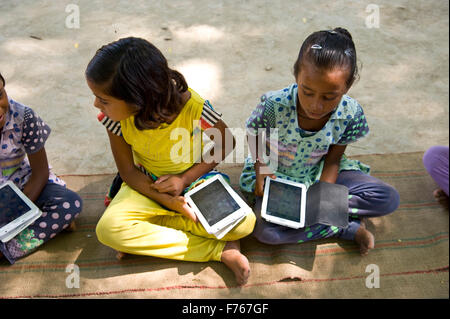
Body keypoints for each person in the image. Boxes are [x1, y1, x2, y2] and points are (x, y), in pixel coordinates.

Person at [85, 37, 256, 285]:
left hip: (196, 180)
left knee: (245, 224)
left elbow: (226, 142)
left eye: (103, 99)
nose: (96, 104)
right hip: (145, 185)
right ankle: (217, 250)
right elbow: (128, 171)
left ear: (137, 98)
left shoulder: (194, 107)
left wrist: (184, 179)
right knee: (107, 230)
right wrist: (172, 203)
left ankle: (152, 229)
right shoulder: (113, 119)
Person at [239, 28, 400, 256]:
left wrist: (322, 196)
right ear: (296, 76)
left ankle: (319, 218)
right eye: (307, 92)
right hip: (277, 177)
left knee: (387, 199)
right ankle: (346, 228)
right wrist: (261, 168)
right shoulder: (274, 105)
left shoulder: (350, 113)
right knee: (265, 232)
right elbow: (255, 133)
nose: (316, 105)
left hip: (320, 174)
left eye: (329, 97)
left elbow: (334, 159)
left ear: (348, 86)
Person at [0, 72, 82, 264]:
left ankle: (7, 250)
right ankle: (37, 222)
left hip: (23, 184)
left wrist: (15, 211)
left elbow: (40, 173)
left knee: (69, 203)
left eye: (0, 94)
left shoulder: (24, 117)